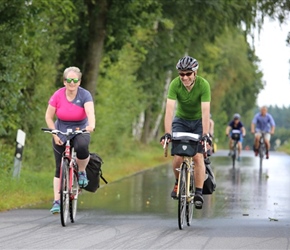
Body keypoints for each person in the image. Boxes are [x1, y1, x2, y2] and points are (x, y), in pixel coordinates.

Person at [160, 55, 211, 210]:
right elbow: (169, 110)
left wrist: (205, 135)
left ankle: (199, 192)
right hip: (181, 121)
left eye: (188, 74)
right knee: (178, 155)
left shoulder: (203, 85)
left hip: (198, 122)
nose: (185, 77)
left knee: (197, 155)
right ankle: (178, 183)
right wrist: (167, 133)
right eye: (181, 74)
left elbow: (205, 111)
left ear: (195, 73)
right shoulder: (175, 84)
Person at [45, 66, 95, 214]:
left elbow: (90, 113)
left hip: (80, 129)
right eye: (68, 80)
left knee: (82, 147)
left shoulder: (85, 95)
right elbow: (48, 116)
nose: (71, 83)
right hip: (60, 129)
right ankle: (57, 201)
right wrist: (54, 134)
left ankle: (81, 171)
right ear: (64, 81)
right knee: (59, 166)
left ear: (79, 82)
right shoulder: (58, 95)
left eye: (75, 80)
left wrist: (91, 125)